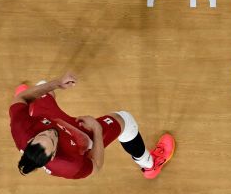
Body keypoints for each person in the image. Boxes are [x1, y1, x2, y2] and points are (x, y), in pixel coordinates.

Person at [9, 72, 174, 179]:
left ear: (30, 140)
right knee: (126, 119)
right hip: (79, 136)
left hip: (46, 117)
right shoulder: (70, 166)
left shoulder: (20, 129)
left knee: (42, 85)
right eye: (52, 140)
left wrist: (57, 84)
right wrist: (96, 128)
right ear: (52, 156)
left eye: (43, 134)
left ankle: (27, 109)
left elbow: (20, 99)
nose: (51, 133)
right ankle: (149, 164)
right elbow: (96, 166)